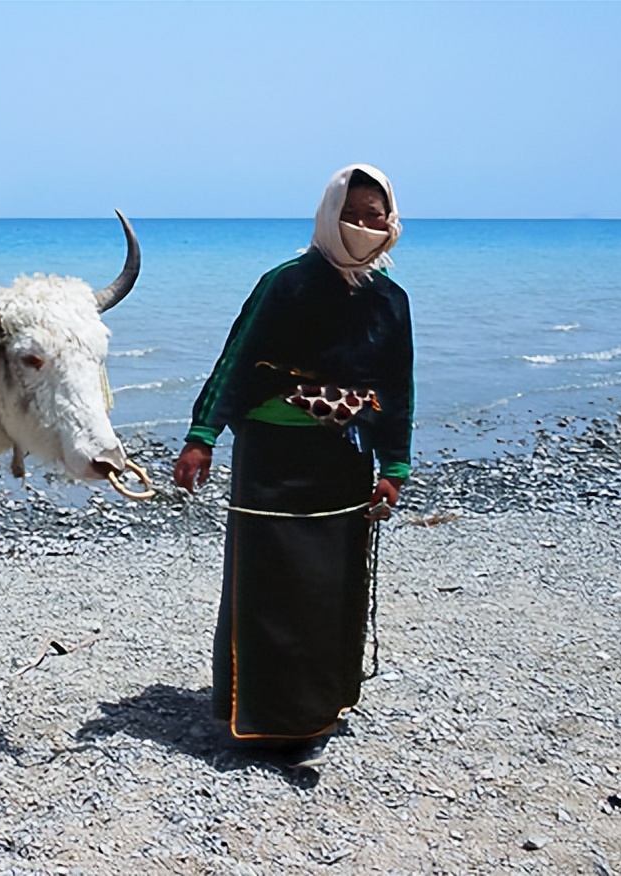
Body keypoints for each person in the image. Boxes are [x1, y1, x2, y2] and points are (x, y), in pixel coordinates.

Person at [173, 163, 413, 768]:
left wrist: (395, 466)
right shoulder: (284, 284)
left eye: (374, 214)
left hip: (342, 464)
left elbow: (396, 388)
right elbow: (237, 360)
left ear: (391, 222)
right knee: (268, 586)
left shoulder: (390, 301)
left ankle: (315, 711)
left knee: (328, 590)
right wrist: (201, 437)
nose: (363, 225)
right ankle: (258, 719)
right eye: (351, 214)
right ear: (327, 216)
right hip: (272, 462)